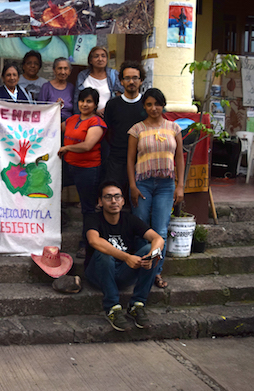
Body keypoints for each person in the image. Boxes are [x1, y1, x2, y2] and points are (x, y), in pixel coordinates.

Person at [84, 181, 164, 331]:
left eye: (117, 197)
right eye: (108, 197)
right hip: (98, 273)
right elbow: (94, 241)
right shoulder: (93, 219)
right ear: (100, 202)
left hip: (123, 274)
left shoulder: (130, 219)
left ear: (123, 201)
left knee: (150, 249)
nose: (113, 201)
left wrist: (151, 257)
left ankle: (137, 305)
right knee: (104, 253)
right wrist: (127, 257)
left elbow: (158, 239)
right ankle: (112, 308)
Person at [127, 88, 184, 290]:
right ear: (144, 106)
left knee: (160, 230)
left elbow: (179, 158)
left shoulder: (174, 128)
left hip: (166, 186)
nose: (154, 108)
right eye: (149, 104)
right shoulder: (137, 129)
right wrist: (132, 185)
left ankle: (156, 273)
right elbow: (130, 160)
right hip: (142, 184)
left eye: (157, 104)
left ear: (163, 105)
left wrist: (180, 186)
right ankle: (138, 270)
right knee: (141, 228)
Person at [58, 87, 107, 217]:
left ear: (95, 105)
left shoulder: (96, 122)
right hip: (69, 166)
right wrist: (55, 110)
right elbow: (52, 129)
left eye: (89, 101)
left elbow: (87, 146)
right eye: (82, 101)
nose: (84, 104)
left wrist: (67, 148)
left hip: (87, 169)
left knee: (87, 207)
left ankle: (89, 236)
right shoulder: (72, 119)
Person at [103, 61, 146, 200]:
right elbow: (108, 132)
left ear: (141, 81)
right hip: (117, 159)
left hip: (143, 160)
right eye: (127, 78)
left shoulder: (148, 104)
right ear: (121, 81)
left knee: (138, 202)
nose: (131, 82)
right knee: (115, 200)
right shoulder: (113, 104)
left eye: (135, 78)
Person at [74, 46, 124, 115]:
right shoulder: (82, 76)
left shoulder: (113, 74)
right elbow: (77, 98)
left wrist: (106, 109)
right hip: (87, 117)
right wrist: (94, 111)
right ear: (90, 60)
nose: (100, 59)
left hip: (109, 116)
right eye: (96, 56)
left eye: (103, 56)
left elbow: (120, 96)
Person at [39, 57, 75, 121]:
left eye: (65, 68)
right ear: (54, 70)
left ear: (70, 71)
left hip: (68, 124)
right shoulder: (46, 87)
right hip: (49, 122)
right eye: (59, 68)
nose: (63, 72)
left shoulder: (71, 87)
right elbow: (40, 110)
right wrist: (55, 106)